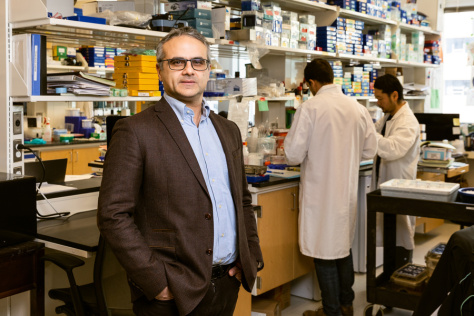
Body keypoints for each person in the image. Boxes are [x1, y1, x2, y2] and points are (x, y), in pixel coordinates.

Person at [97, 27, 263, 316]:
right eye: (177, 62)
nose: (189, 70)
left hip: (228, 282)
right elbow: (113, 215)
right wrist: (156, 282)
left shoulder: (228, 131)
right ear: (161, 70)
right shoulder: (136, 131)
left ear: (208, 70)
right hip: (172, 291)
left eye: (198, 62)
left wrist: (249, 256)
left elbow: (243, 201)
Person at [284, 59, 378, 316]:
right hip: (345, 192)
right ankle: (346, 305)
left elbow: (292, 154)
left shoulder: (310, 108)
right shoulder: (357, 108)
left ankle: (331, 311)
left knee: (324, 252)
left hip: (320, 193)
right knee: (341, 247)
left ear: (312, 82)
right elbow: (370, 149)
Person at [371, 74, 420, 269]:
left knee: (401, 237)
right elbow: (372, 133)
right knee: (390, 236)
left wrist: (369, 135)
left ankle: (402, 285)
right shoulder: (387, 117)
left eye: (380, 98)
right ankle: (388, 285)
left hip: (401, 186)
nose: (378, 103)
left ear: (394, 95)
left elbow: (392, 149)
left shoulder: (408, 121)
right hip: (387, 186)